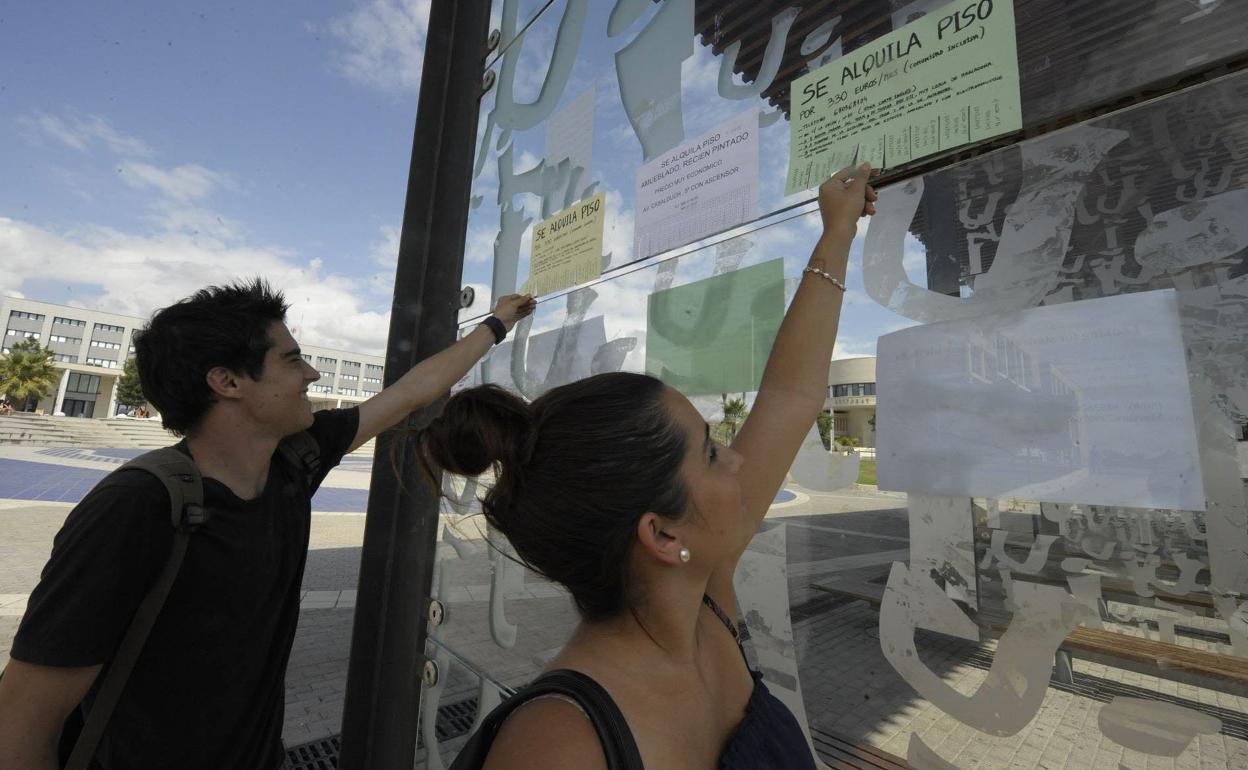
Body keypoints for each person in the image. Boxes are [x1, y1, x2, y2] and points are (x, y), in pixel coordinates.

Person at [419, 165, 876, 769]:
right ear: (661, 534)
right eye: (711, 452)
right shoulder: (558, 745)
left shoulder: (706, 601)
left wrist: (836, 231)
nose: (740, 461)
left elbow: (791, 395)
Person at [0, 279, 535, 770]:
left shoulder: (295, 461)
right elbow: (22, 719)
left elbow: (411, 392)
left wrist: (497, 324)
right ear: (227, 381)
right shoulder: (134, 508)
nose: (312, 374)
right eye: (293, 359)